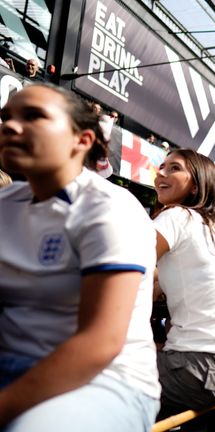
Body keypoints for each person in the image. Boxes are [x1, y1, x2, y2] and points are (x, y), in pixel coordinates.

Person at [0, 84, 159, 430]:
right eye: (5, 117)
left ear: (82, 140)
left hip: (105, 382)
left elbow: (99, 344)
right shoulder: (6, 203)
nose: (10, 126)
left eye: (33, 117)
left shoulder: (109, 208)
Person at [152, 149, 215, 415]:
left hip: (198, 367)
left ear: (195, 185)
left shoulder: (176, 217)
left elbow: (125, 266)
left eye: (174, 168)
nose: (162, 172)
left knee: (87, 374)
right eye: (162, 166)